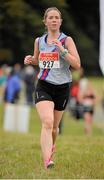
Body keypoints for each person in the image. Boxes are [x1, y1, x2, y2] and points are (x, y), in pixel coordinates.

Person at [24, 7, 81, 169]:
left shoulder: (67, 40)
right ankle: (47, 160)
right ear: (45, 21)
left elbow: (77, 64)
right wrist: (30, 59)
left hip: (62, 87)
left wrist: (62, 51)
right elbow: (37, 60)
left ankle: (51, 146)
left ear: (60, 21)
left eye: (57, 17)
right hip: (44, 85)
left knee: (54, 128)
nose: (54, 20)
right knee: (47, 122)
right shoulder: (39, 41)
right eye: (51, 17)